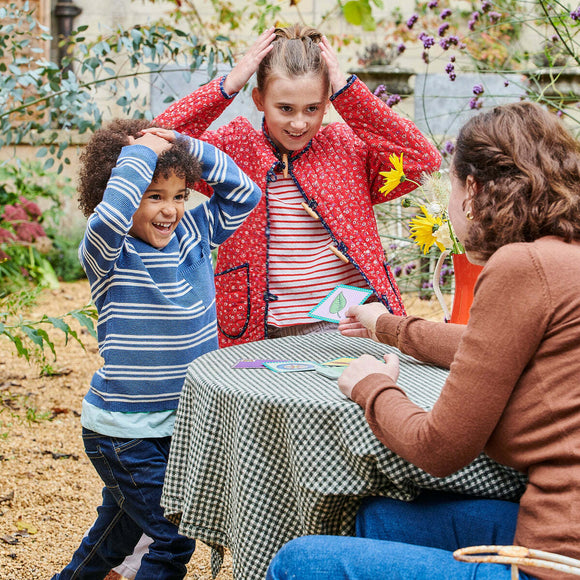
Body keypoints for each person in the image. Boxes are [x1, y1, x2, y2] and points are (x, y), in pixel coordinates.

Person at [266, 101, 580, 579]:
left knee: (298, 561)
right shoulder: (563, 260)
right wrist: (383, 324)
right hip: (560, 527)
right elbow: (480, 345)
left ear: (473, 189)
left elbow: (438, 448)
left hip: (555, 562)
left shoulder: (522, 266)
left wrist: (371, 386)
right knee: (380, 517)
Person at [52, 119, 260, 580]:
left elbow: (245, 192)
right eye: (153, 196)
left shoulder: (196, 235)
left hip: (176, 426)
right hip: (120, 430)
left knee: (117, 533)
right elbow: (109, 216)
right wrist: (140, 152)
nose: (170, 210)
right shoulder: (109, 253)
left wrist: (181, 145)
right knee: (173, 536)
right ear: (123, 191)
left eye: (180, 195)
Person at [154, 23, 441, 347]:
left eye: (312, 108)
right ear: (259, 100)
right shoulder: (233, 149)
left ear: (328, 102)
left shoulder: (347, 148)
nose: (299, 122)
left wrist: (349, 91)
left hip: (351, 326)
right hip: (258, 329)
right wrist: (229, 84)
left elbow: (423, 160)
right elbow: (157, 143)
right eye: (285, 108)